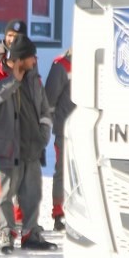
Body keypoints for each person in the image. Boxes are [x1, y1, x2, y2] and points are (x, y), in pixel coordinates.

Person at [0, 33, 56, 253]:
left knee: (32, 194)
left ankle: (31, 234)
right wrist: (13, 80)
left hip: (31, 146)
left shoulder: (33, 77)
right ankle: (7, 234)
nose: (35, 61)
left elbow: (44, 108)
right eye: (32, 57)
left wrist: (43, 134)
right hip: (4, 147)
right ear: (20, 58)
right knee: (5, 194)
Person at [44, 48, 74, 232]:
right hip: (65, 130)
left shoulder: (93, 62)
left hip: (87, 129)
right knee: (63, 172)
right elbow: (49, 99)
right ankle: (59, 213)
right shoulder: (61, 65)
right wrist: (50, 124)